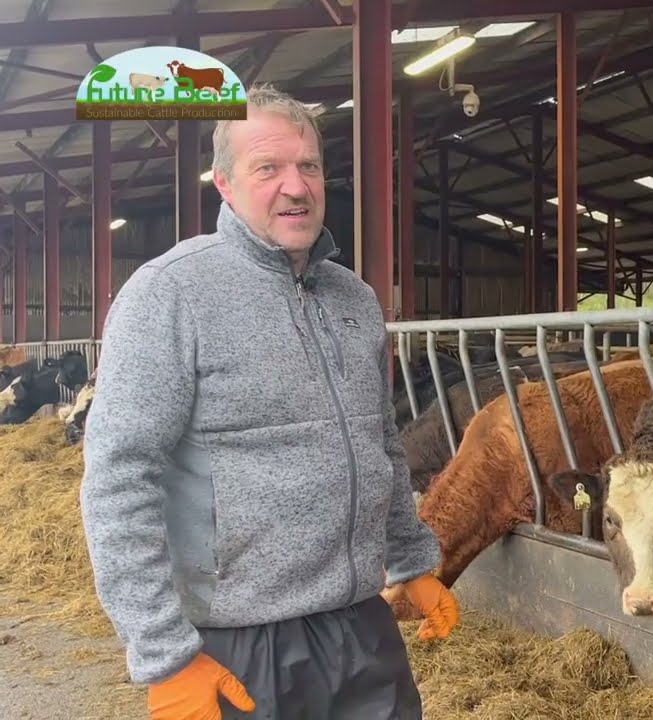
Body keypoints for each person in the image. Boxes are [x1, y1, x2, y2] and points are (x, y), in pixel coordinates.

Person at [79, 83, 458, 720]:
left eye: (308, 166)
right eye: (268, 168)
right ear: (224, 184)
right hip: (238, 644)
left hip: (361, 627)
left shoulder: (354, 300)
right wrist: (164, 654)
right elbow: (120, 477)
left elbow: (379, 446)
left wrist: (412, 559)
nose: (296, 185)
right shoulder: (172, 293)